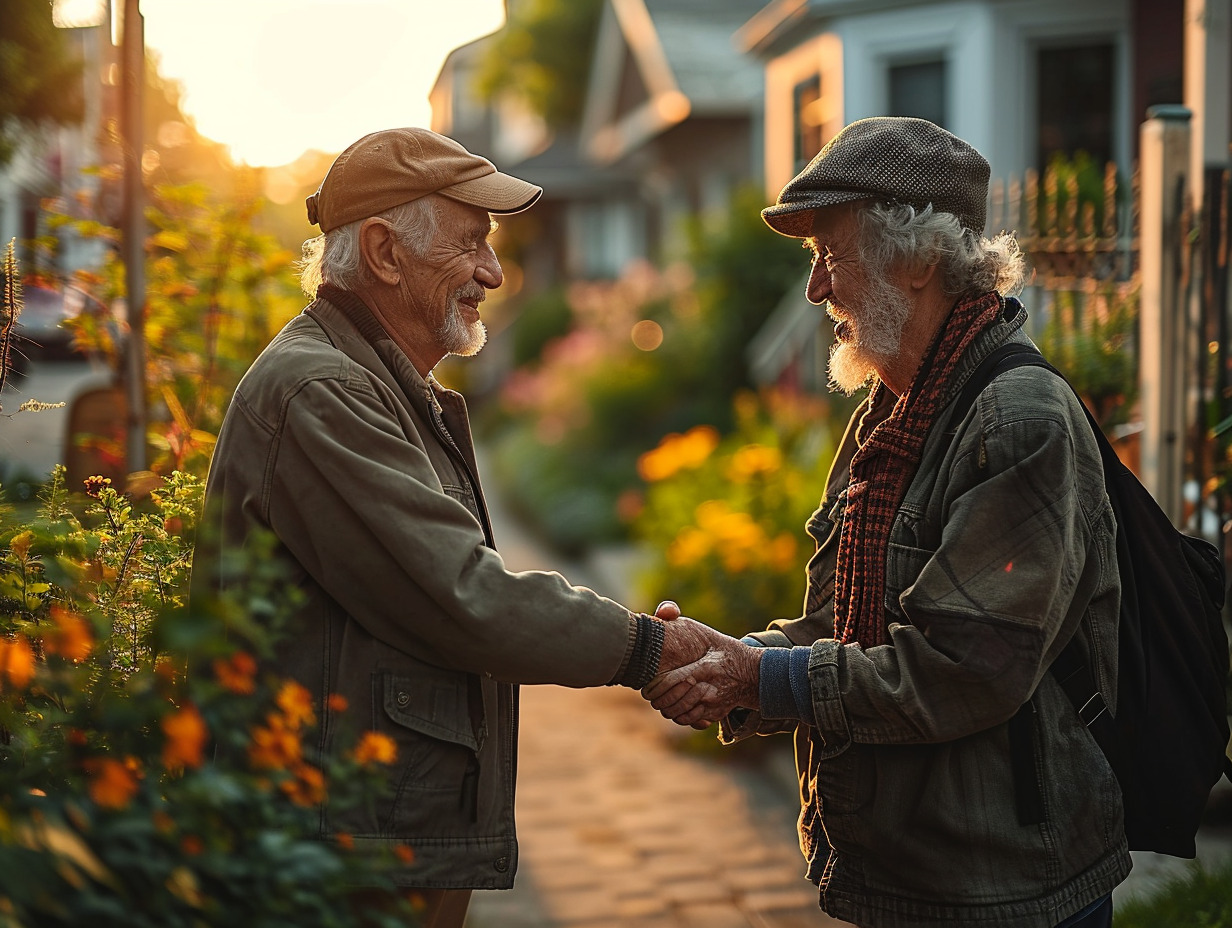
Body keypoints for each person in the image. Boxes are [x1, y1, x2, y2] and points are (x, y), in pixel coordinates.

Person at [194, 127, 730, 928]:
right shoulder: (323, 390)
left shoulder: (370, 381)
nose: (493, 272)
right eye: (471, 242)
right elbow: (461, 593)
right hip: (336, 847)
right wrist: (648, 650)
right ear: (382, 252)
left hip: (369, 832)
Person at [644, 117, 1129, 928]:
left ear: (915, 259)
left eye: (830, 256)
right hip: (912, 872)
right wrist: (740, 660)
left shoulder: (1019, 421)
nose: (816, 290)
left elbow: (958, 668)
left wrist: (758, 679)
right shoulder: (896, 410)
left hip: (1008, 890)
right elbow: (846, 626)